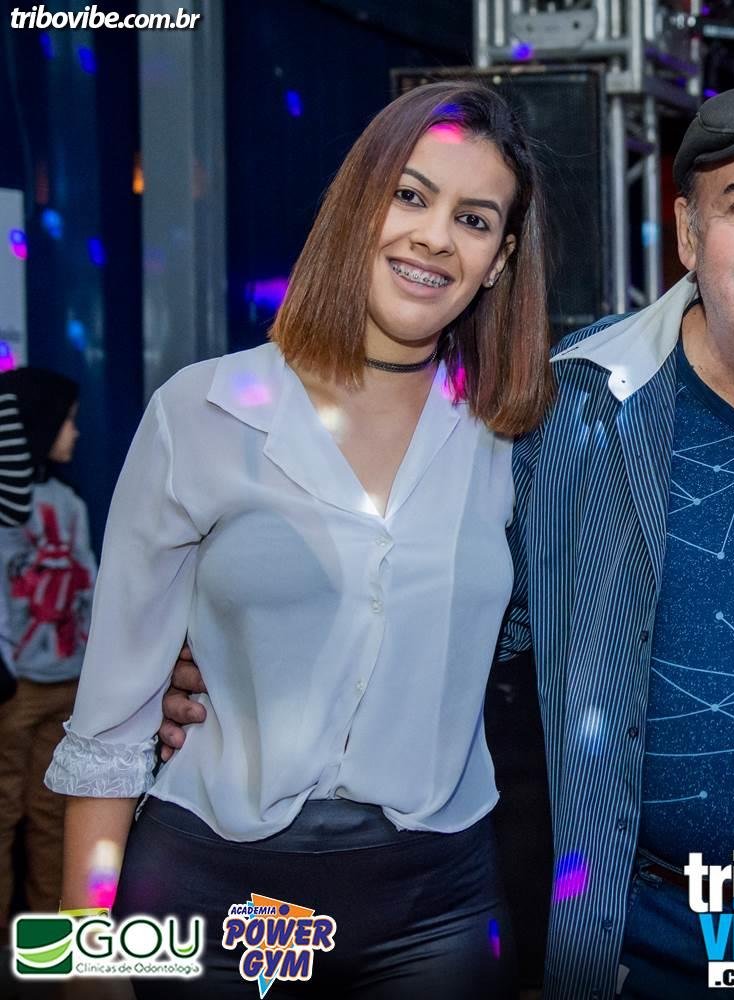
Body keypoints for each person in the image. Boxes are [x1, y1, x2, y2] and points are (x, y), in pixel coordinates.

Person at [164, 83, 734, 999]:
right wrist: (232, 659)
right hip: (647, 939)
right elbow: (441, 599)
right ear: (688, 231)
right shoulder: (573, 405)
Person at [44, 80, 553, 997]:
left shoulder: (511, 435)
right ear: (357, 205)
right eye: (410, 195)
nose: (436, 237)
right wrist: (85, 953)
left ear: (499, 260)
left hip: (438, 908)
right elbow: (112, 717)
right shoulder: (202, 411)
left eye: (474, 220)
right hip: (211, 898)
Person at [0, 367, 93, 921]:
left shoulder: (70, 503)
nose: (74, 432)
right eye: (67, 420)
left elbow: (89, 586)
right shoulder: (6, 509)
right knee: (4, 811)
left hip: (70, 683)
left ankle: (48, 945)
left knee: (55, 815)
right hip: (15, 690)